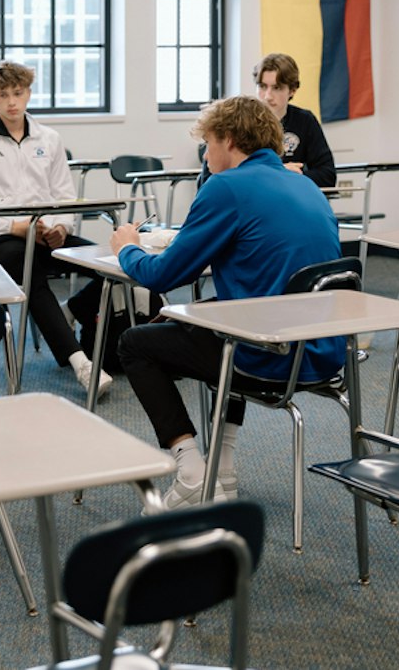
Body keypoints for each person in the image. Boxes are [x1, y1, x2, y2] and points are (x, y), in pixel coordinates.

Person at [113, 95, 342, 508]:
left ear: (231, 141)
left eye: (208, 143)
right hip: (323, 349)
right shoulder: (305, 183)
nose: (205, 152)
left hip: (269, 355)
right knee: (220, 314)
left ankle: (190, 469)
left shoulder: (228, 186)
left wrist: (127, 248)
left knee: (135, 343)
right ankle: (224, 467)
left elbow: (163, 275)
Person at [0, 60, 109, 398]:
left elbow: (64, 195)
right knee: (31, 269)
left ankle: (69, 312)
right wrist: (19, 226)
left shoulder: (49, 139)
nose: (12, 101)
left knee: (105, 265)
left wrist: (60, 228)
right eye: (3, 94)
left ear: (28, 93)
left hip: (46, 234)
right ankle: (81, 363)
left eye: (18, 93)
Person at [252, 52, 336, 187]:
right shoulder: (242, 122)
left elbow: (327, 175)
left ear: (292, 90)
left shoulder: (305, 120)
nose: (267, 96)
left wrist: (294, 175)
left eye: (276, 88)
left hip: (291, 197)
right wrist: (279, 172)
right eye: (262, 86)